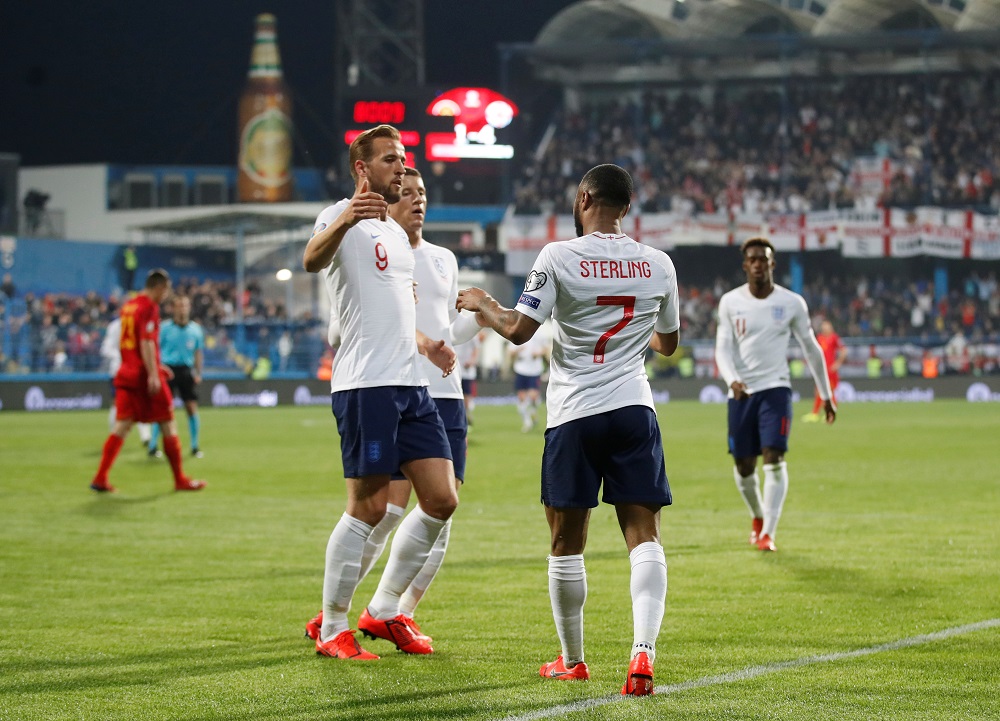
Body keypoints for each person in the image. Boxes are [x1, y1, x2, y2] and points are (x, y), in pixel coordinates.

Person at [456, 164, 680, 696]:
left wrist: (483, 305)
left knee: (566, 541)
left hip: (575, 413)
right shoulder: (658, 264)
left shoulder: (558, 256)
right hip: (632, 409)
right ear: (627, 207)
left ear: (583, 198)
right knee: (643, 535)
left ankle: (574, 660)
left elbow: (518, 330)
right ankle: (642, 654)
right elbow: (668, 345)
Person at [304, 166, 481, 648]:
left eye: (422, 193)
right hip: (388, 383)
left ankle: (389, 609)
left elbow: (445, 330)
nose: (416, 199)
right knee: (379, 512)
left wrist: (478, 320)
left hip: (441, 394)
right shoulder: (365, 249)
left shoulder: (442, 259)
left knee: (440, 508)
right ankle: (340, 612)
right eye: (408, 192)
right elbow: (348, 322)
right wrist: (424, 344)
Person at [714, 237, 835, 553]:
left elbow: (811, 347)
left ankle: (768, 531)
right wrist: (732, 380)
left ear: (772, 264)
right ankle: (757, 516)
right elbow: (722, 348)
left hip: (776, 390)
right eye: (752, 259)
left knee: (774, 457)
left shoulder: (791, 303)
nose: (757, 264)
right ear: (745, 266)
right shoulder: (730, 302)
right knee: (744, 466)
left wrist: (826, 394)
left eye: (762, 260)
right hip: (741, 393)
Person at [89, 269, 206, 494]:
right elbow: (146, 342)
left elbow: (129, 344)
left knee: (122, 425)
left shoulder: (129, 306)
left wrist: (154, 366)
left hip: (127, 373)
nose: (166, 296)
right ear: (160, 287)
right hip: (144, 376)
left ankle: (100, 477)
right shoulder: (149, 307)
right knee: (168, 421)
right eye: (166, 290)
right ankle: (180, 479)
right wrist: (154, 373)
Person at [148, 296, 205, 458]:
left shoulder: (195, 329)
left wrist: (198, 372)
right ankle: (153, 446)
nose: (182, 309)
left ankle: (195, 446)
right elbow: (155, 349)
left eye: (185, 305)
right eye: (179, 305)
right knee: (163, 409)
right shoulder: (164, 328)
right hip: (167, 369)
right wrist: (155, 370)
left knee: (191, 407)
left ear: (189, 308)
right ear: (173, 308)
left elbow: (198, 352)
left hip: (186, 370)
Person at [100, 314, 152, 449]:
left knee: (141, 402)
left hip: (137, 370)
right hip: (118, 371)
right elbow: (105, 349)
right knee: (117, 403)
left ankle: (146, 436)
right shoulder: (115, 326)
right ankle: (114, 435)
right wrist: (121, 355)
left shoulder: (139, 325)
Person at [803, 319, 846, 422]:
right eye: (823, 326)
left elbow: (844, 350)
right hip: (821, 369)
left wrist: (838, 363)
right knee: (818, 391)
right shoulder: (820, 338)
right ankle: (816, 413)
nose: (825, 328)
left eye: (827, 326)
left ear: (831, 327)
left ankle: (829, 412)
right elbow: (813, 351)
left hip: (831, 370)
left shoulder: (834, 338)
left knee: (829, 391)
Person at [509, 330, 549, 432]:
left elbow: (545, 349)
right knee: (522, 398)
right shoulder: (517, 332)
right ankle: (527, 422)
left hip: (535, 370)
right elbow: (510, 352)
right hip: (520, 369)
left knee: (532, 396)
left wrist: (538, 353)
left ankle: (533, 411)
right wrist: (517, 351)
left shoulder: (540, 333)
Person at [457, 330, 486, 426]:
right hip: (454, 371)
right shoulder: (451, 329)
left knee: (466, 397)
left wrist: (471, 361)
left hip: (467, 372)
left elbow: (476, 349)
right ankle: (461, 418)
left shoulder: (470, 333)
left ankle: (465, 417)